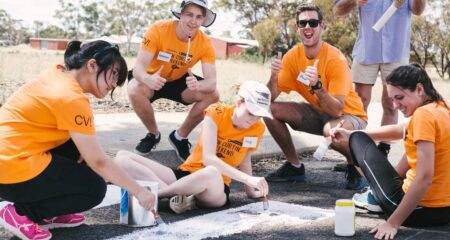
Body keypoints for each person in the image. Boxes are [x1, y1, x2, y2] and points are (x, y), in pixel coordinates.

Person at [0, 40, 156, 240]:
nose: (114, 83)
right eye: (114, 73)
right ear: (92, 65)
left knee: (79, 150)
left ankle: (51, 212)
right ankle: (23, 212)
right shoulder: (71, 98)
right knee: (93, 188)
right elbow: (98, 161)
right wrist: (139, 191)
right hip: (11, 170)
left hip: (9, 158)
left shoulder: (56, 74)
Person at [330, 64, 450, 239]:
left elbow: (425, 178)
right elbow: (402, 129)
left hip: (417, 211)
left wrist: (393, 223)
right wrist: (352, 132)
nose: (395, 105)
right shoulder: (445, 107)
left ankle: (377, 196)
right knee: (359, 135)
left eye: (400, 97)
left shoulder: (423, 116)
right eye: (392, 99)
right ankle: (380, 191)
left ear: (419, 89)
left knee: (357, 140)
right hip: (445, 211)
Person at [115, 81, 271, 214]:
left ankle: (158, 195)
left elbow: (244, 158)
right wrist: (248, 179)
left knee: (211, 172)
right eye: (251, 113)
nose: (254, 119)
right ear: (239, 102)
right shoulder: (216, 112)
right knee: (122, 158)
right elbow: (209, 158)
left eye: (259, 115)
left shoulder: (257, 128)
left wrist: (251, 190)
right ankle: (178, 199)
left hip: (214, 187)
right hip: (187, 174)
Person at [264, 3, 368, 190]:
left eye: (313, 22)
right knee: (267, 109)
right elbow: (269, 97)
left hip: (349, 116)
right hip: (318, 112)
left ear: (322, 26)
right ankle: (295, 167)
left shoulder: (335, 59)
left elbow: (337, 110)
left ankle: (357, 167)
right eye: (302, 23)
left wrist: (317, 87)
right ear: (296, 27)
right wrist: (272, 79)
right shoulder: (292, 57)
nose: (307, 27)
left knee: (332, 131)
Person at [128, 0, 219, 161]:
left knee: (213, 95)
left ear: (203, 21)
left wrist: (199, 85)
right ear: (180, 14)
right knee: (134, 88)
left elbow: (211, 82)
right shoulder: (158, 30)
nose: (193, 21)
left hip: (179, 79)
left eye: (198, 17)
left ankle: (179, 137)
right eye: (189, 14)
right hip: (152, 78)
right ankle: (153, 134)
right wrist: (147, 78)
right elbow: (138, 69)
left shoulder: (205, 43)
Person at [333, 0, 427, 156]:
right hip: (366, 51)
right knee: (359, 103)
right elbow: (338, 10)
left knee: (391, 104)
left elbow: (418, 10)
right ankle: (354, 155)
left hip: (395, 53)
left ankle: (382, 152)